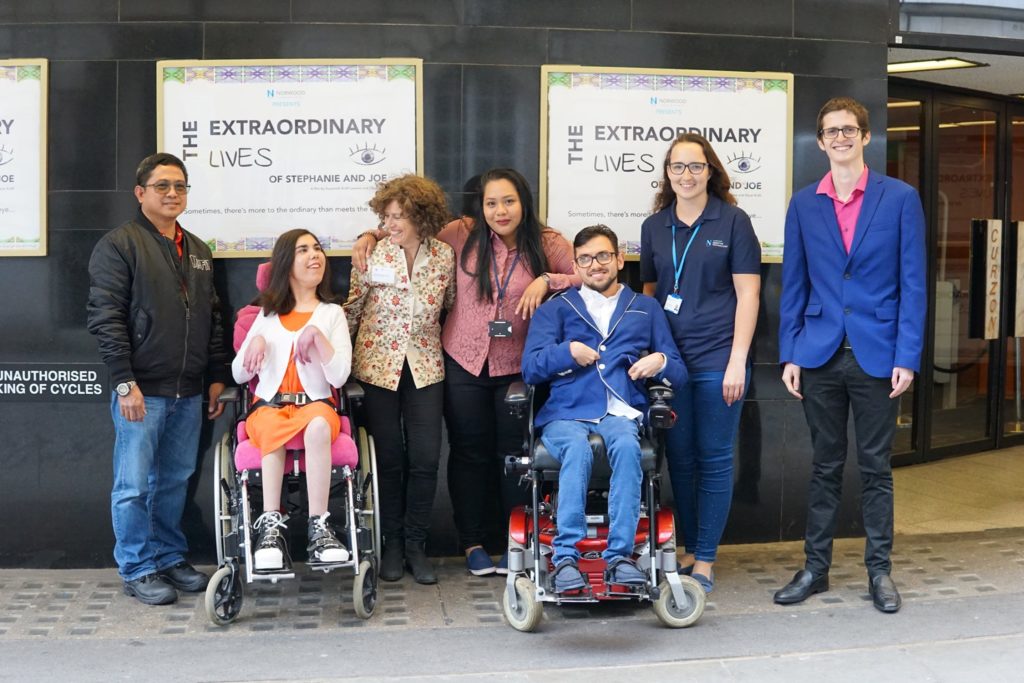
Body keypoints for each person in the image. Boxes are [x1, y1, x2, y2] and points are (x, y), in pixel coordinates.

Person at [352, 168, 578, 576]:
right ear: (481, 206)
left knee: (516, 457)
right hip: (463, 361)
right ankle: (472, 542)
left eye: (508, 201)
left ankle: (518, 541)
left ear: (524, 201)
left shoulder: (547, 242)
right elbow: (404, 226)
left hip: (518, 366)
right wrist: (370, 236)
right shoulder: (460, 233)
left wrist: (547, 279)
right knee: (468, 455)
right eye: (491, 203)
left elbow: (586, 276)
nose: (500, 210)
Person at [775, 96, 926, 613]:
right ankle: (816, 569)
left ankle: (879, 573)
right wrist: (790, 353)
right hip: (818, 355)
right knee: (824, 466)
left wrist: (907, 355)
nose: (840, 137)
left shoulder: (900, 198)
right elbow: (793, 283)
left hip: (879, 356)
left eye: (849, 129)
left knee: (877, 468)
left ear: (865, 137)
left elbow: (913, 285)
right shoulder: (803, 203)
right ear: (819, 142)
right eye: (831, 131)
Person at [87, 152, 228, 606]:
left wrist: (215, 376)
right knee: (132, 485)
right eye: (163, 185)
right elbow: (105, 317)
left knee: (174, 480)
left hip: (189, 391)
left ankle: (168, 556)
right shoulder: (119, 245)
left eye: (180, 186)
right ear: (140, 192)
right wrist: (124, 381)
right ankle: (137, 566)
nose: (172, 194)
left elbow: (213, 318)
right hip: (142, 390)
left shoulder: (200, 250)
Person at [522, 225, 687, 592]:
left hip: (621, 411)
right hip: (567, 412)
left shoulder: (645, 308)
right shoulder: (557, 309)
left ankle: (619, 558)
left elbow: (679, 370)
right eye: (584, 259)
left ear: (618, 258)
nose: (594, 265)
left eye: (601, 256)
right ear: (576, 266)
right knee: (577, 450)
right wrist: (567, 353)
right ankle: (564, 558)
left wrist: (659, 359)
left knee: (628, 447)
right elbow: (530, 367)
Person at [640, 133, 761, 594]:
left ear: (710, 171)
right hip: (671, 363)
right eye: (677, 167)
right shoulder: (655, 227)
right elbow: (649, 298)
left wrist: (737, 361)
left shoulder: (732, 221)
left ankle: (705, 558)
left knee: (713, 459)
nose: (686, 175)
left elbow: (748, 294)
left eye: (695, 166)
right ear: (667, 174)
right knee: (681, 459)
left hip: (718, 359)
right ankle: (688, 547)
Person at [344, 174, 455, 584]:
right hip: (375, 366)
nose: (391, 224)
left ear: (421, 218)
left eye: (400, 217)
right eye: (387, 216)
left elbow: (452, 306)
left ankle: (415, 544)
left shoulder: (444, 256)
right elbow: (353, 308)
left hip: (426, 365)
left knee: (425, 459)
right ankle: (391, 543)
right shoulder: (371, 252)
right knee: (388, 460)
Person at [232, 229, 354, 572]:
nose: (314, 255)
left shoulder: (332, 314)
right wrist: (252, 346)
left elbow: (339, 377)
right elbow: (239, 375)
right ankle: (271, 526)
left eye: (317, 248)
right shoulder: (266, 316)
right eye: (303, 250)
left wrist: (318, 339)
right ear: (287, 265)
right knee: (270, 423)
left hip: (316, 404)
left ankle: (320, 528)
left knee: (317, 426)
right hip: (270, 405)